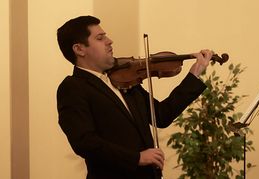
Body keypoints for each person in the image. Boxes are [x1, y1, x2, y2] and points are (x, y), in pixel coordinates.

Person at [56, 15, 213, 179]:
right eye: (100, 38)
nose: (109, 41)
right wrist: (137, 158)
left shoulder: (123, 79)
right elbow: (85, 142)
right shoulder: (73, 88)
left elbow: (161, 115)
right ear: (79, 49)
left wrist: (194, 75)